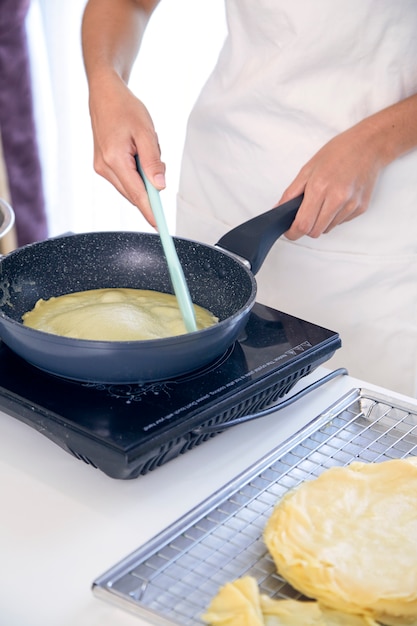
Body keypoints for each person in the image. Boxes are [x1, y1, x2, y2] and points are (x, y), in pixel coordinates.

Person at [81, 0, 417, 396]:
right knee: (213, 409)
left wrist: (375, 144)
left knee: (368, 427)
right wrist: (106, 83)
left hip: (373, 212)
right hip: (227, 173)